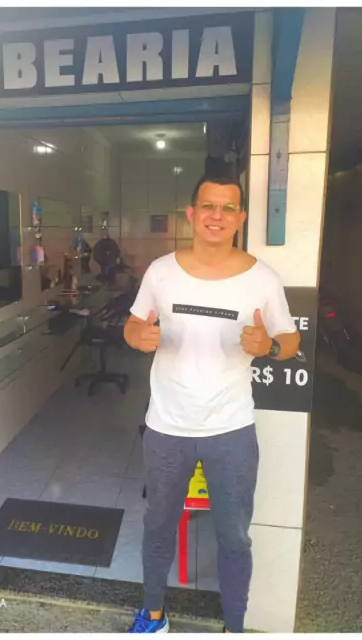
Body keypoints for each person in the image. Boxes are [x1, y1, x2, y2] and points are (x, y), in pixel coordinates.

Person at [123, 175, 300, 634]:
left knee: (234, 536)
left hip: (231, 429)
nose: (216, 216)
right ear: (192, 213)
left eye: (227, 208)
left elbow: (290, 338)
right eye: (208, 206)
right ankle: (154, 617)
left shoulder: (262, 278)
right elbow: (133, 324)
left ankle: (234, 627)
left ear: (241, 218)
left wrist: (269, 346)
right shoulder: (161, 271)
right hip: (166, 427)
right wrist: (137, 337)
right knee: (158, 525)